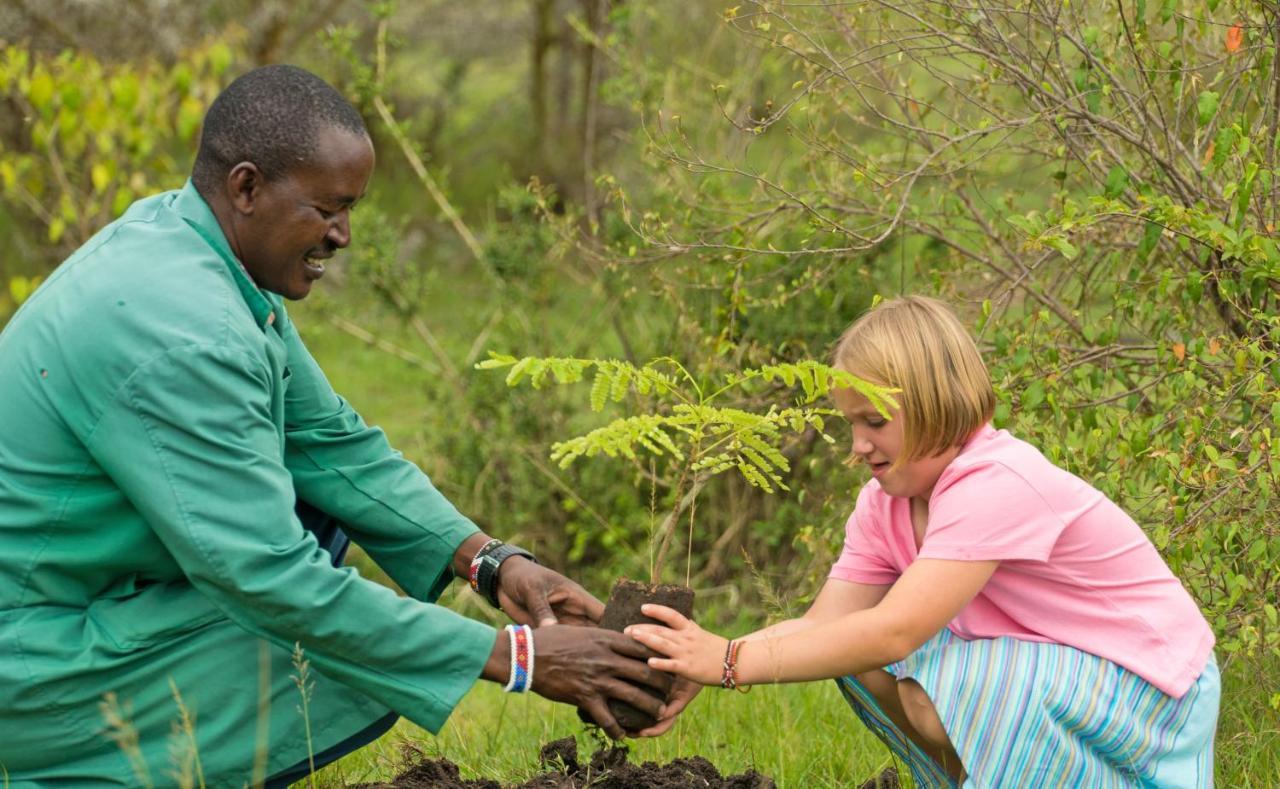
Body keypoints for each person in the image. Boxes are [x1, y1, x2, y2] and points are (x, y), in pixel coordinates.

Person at [0, 64, 671, 785]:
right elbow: (270, 581)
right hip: (30, 663)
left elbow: (330, 443)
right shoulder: (184, 331)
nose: (344, 235)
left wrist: (493, 562)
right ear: (247, 187)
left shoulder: (192, 250)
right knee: (336, 642)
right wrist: (520, 658)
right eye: (327, 209)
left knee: (330, 546)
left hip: (71, 604)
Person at [627, 296, 1220, 787]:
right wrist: (710, 660)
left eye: (875, 423)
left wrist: (733, 663)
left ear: (938, 406)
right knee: (848, 654)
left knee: (962, 679)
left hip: (1154, 684)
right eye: (850, 424)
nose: (858, 444)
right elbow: (821, 624)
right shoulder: (883, 504)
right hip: (1069, 671)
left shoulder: (996, 481)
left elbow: (895, 631)